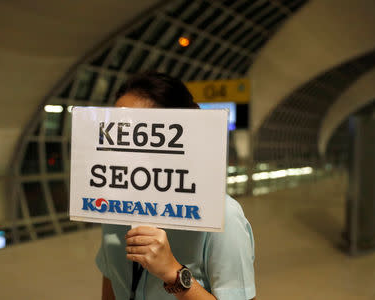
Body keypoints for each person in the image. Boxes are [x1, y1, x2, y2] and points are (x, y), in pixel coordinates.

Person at [96, 71, 256, 300]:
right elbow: (111, 283)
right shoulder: (113, 208)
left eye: (137, 131)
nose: (121, 140)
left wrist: (172, 272)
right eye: (117, 128)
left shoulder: (223, 216)